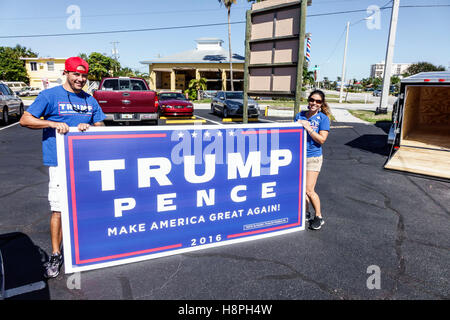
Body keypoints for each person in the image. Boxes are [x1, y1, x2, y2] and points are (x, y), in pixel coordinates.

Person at [20, 56, 106, 278]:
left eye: (84, 75)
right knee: (59, 208)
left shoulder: (90, 100)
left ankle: (86, 248)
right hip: (59, 162)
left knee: (87, 206)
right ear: (66, 73)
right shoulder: (50, 96)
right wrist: (51, 123)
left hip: (86, 163)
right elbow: (25, 119)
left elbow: (102, 127)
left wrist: (91, 127)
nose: (80, 79)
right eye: (76, 74)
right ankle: (56, 254)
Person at [295, 89, 331, 230]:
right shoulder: (300, 115)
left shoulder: (323, 119)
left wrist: (309, 128)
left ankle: (319, 216)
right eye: (312, 100)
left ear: (321, 104)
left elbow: (322, 139)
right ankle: (306, 212)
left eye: (318, 101)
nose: (314, 103)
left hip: (313, 157)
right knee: (301, 189)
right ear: (308, 100)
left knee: (309, 190)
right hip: (299, 157)